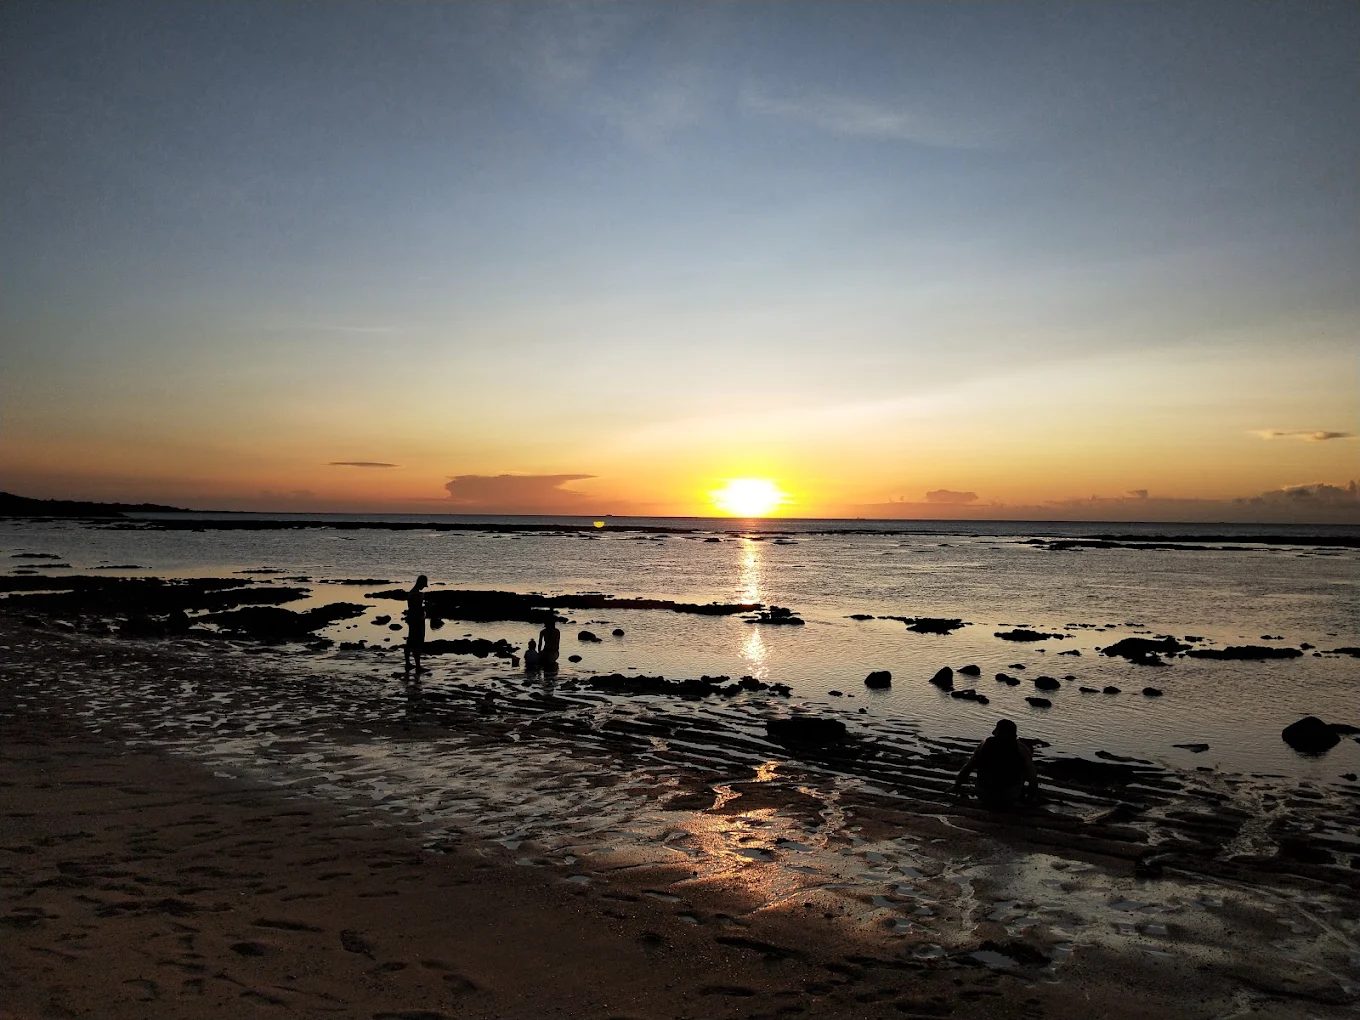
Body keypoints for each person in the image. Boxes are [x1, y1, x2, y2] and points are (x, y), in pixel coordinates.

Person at [953, 718, 1038, 809]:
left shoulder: (984, 744)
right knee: (1026, 768)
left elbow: (968, 767)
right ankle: (1021, 795)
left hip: (983, 793)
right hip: (1009, 796)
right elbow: (1032, 776)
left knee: (977, 761)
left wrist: (957, 785)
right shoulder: (1022, 749)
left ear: (999, 732)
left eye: (996, 729)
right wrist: (1031, 797)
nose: (993, 732)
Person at [403, 574, 428, 674]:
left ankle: (408, 663)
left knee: (410, 641)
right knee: (417, 642)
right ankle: (417, 666)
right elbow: (417, 608)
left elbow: (412, 608)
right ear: (421, 583)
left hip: (412, 619)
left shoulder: (412, 593)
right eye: (424, 585)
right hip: (417, 620)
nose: (423, 587)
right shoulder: (416, 594)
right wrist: (424, 612)